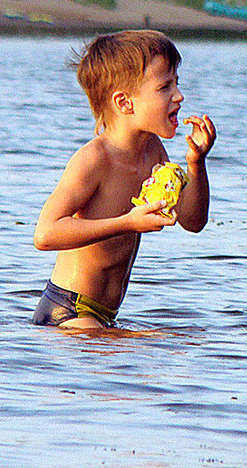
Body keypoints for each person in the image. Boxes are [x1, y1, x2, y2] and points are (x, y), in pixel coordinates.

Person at [33, 30, 216, 329]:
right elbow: (45, 234)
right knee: (160, 344)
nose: (179, 96)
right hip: (68, 311)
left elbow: (192, 222)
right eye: (165, 87)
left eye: (177, 84)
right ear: (124, 102)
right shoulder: (95, 159)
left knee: (177, 342)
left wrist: (196, 164)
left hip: (104, 316)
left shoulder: (154, 151)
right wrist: (127, 223)